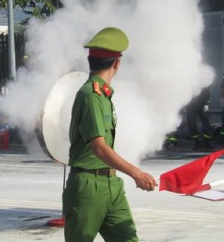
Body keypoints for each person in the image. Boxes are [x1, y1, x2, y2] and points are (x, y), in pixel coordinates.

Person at [62, 27, 156, 242]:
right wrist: (136, 173)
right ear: (117, 63)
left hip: (111, 184)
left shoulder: (103, 95)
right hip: (88, 186)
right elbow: (98, 147)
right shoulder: (90, 95)